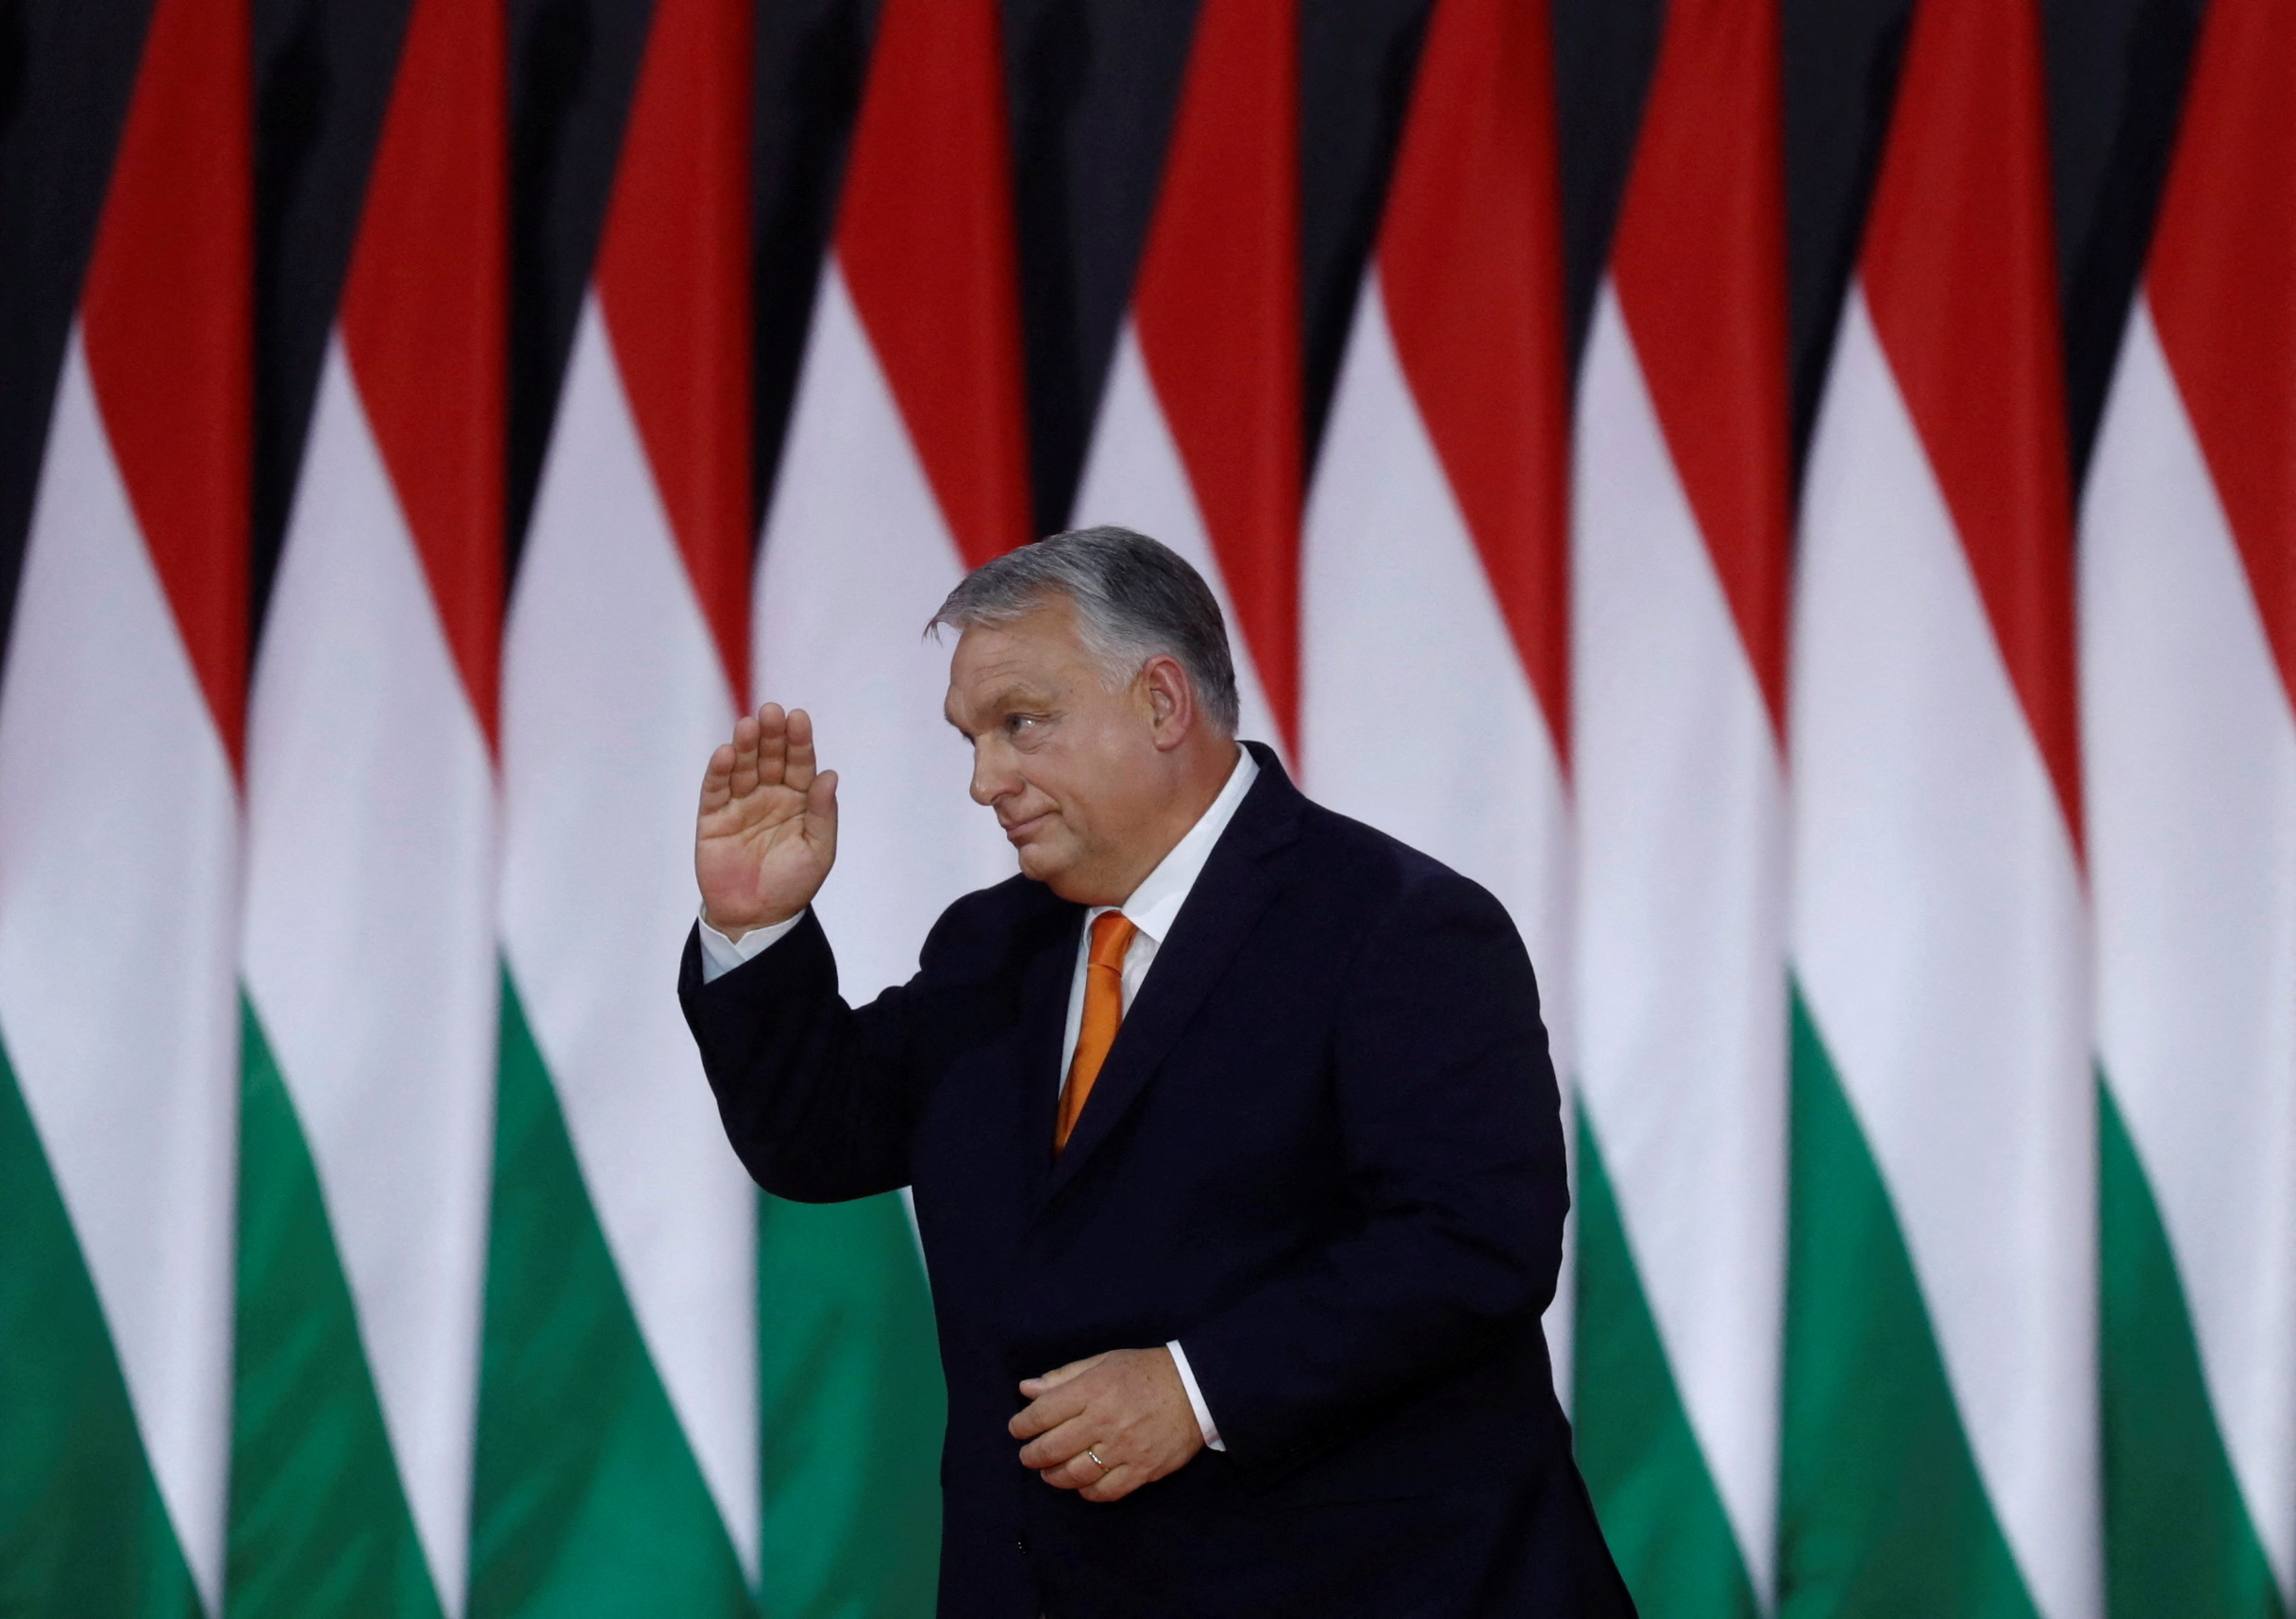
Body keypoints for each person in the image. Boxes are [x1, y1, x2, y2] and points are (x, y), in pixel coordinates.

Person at [680, 526, 1633, 1617]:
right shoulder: (991, 949)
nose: (987, 780)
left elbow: (1475, 1240)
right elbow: (818, 1138)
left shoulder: (1395, 925)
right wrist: (753, 930)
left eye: (1020, 724)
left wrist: (1196, 1386)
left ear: (1163, 703)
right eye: (972, 739)